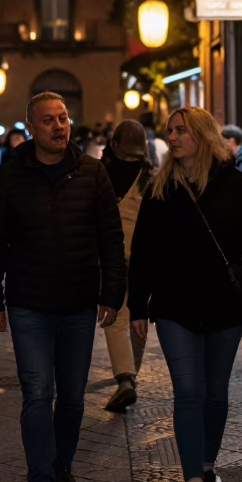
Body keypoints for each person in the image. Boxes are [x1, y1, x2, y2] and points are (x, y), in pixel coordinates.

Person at [0, 91, 126, 482]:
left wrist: (111, 293)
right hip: (29, 303)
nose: (60, 126)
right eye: (49, 120)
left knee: (74, 398)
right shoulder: (10, 176)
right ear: (30, 128)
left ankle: (62, 466)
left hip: (78, 302)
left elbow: (111, 239)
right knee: (38, 392)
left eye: (63, 118)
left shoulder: (93, 172)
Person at [129, 107, 242, 482]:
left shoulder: (234, 183)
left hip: (223, 305)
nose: (173, 137)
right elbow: (143, 251)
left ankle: (208, 464)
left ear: (202, 135)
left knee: (215, 392)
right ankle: (193, 481)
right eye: (170, 131)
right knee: (188, 390)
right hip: (174, 304)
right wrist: (137, 304)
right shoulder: (160, 187)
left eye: (182, 131)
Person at [100, 121, 152, 412]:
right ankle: (131, 376)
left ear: (115, 144)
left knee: (116, 314)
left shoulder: (101, 174)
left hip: (111, 256)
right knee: (138, 315)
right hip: (143, 257)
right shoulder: (151, 178)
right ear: (144, 146)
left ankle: (125, 377)